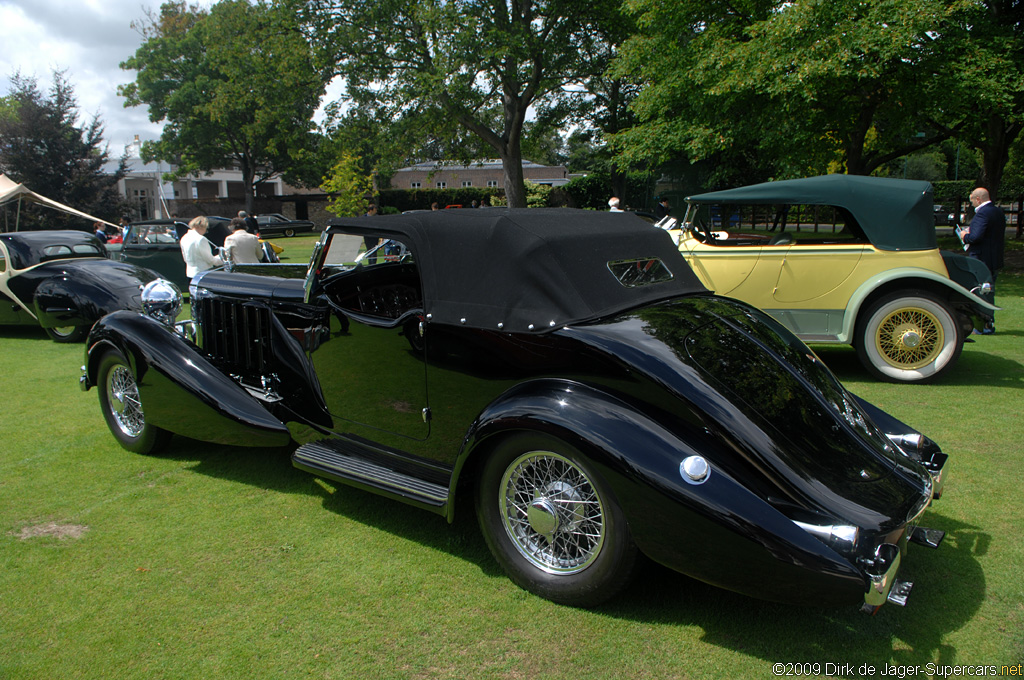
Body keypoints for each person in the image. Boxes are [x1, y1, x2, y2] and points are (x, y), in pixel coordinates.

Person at [180, 216, 224, 280]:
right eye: (206, 228)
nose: (205, 231)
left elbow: (185, 259)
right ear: (201, 226)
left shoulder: (184, 238)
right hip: (202, 274)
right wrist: (221, 260)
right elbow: (210, 260)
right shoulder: (200, 239)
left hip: (190, 273)